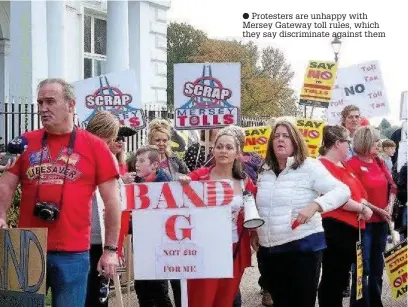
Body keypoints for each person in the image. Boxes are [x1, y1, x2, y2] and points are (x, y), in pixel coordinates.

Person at [0, 79, 121, 307]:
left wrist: (111, 250)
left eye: (50, 101)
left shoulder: (95, 146)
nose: (43, 108)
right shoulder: (25, 142)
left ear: (71, 104)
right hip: (28, 244)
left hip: (73, 250)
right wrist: (1, 215)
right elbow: (6, 184)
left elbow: (112, 201)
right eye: (40, 102)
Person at [251, 119, 351, 307]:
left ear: (296, 141)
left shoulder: (309, 166)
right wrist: (255, 232)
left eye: (286, 136)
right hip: (270, 251)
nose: (281, 139)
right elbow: (264, 206)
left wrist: (316, 205)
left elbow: (343, 191)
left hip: (302, 248)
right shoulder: (264, 171)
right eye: (277, 136)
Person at [179, 125, 256, 307]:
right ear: (213, 150)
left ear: (238, 153)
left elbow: (252, 215)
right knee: (200, 299)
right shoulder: (198, 177)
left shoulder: (245, 182)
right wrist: (182, 183)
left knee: (225, 300)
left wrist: (255, 235)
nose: (223, 151)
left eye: (229, 147)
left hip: (233, 249)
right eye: (219, 146)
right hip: (204, 248)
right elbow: (178, 201)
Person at [316, 125, 373, 307]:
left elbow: (360, 191)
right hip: (336, 228)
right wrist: (361, 208)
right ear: (337, 143)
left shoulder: (344, 165)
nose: (349, 145)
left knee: (341, 278)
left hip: (353, 229)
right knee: (333, 277)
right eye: (347, 141)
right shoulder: (322, 166)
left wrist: (363, 204)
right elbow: (334, 198)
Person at [347, 126, 397, 307]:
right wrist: (379, 210)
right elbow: (355, 195)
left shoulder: (379, 162)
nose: (379, 144)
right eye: (376, 140)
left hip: (381, 224)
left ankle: (376, 302)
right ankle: (360, 303)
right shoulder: (351, 164)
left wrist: (389, 206)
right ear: (365, 141)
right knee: (362, 268)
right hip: (363, 224)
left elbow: (392, 185)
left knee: (377, 267)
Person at [127, 145, 174, 307]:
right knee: (142, 288)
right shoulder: (138, 181)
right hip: (141, 242)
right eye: (136, 161)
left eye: (141, 161)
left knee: (158, 289)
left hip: (158, 243)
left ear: (154, 165)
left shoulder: (163, 182)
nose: (137, 164)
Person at [84, 111, 121, 307]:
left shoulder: (109, 158)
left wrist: (112, 247)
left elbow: (115, 202)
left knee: (97, 297)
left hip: (100, 238)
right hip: (81, 237)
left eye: (107, 141)